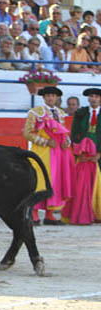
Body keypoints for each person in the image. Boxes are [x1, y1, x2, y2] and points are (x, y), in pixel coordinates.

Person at [23, 86, 73, 225]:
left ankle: (49, 215)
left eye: (53, 95)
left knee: (55, 182)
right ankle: (34, 214)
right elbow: (27, 133)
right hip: (42, 151)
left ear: (57, 98)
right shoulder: (36, 112)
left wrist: (66, 143)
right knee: (40, 181)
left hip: (58, 152)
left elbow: (63, 133)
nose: (51, 98)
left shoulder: (60, 113)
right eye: (48, 95)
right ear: (43, 97)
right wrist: (45, 142)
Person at [61, 88, 101, 225]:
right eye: (91, 96)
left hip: (99, 152)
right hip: (84, 155)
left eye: (96, 96)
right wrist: (78, 152)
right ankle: (85, 213)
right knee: (82, 185)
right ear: (88, 98)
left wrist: (99, 154)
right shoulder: (81, 113)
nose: (94, 99)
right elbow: (75, 134)